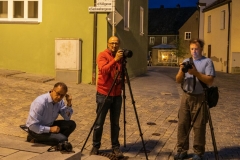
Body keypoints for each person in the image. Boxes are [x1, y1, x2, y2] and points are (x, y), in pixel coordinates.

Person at [175, 39, 215, 160]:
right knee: (182, 124)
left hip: (200, 97)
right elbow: (177, 80)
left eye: (196, 49)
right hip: (186, 96)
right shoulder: (186, 61)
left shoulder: (207, 62)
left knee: (199, 126)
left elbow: (210, 80)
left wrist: (195, 73)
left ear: (201, 49)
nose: (194, 51)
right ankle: (182, 150)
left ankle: (198, 152)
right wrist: (182, 71)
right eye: (192, 49)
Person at [90, 36, 124, 158]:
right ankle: (95, 146)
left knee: (115, 123)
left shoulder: (121, 56)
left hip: (117, 94)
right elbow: (103, 70)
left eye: (116, 43)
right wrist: (115, 59)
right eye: (112, 43)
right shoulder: (102, 55)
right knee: (99, 122)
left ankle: (115, 147)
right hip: (103, 93)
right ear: (108, 44)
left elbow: (121, 72)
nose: (114, 45)